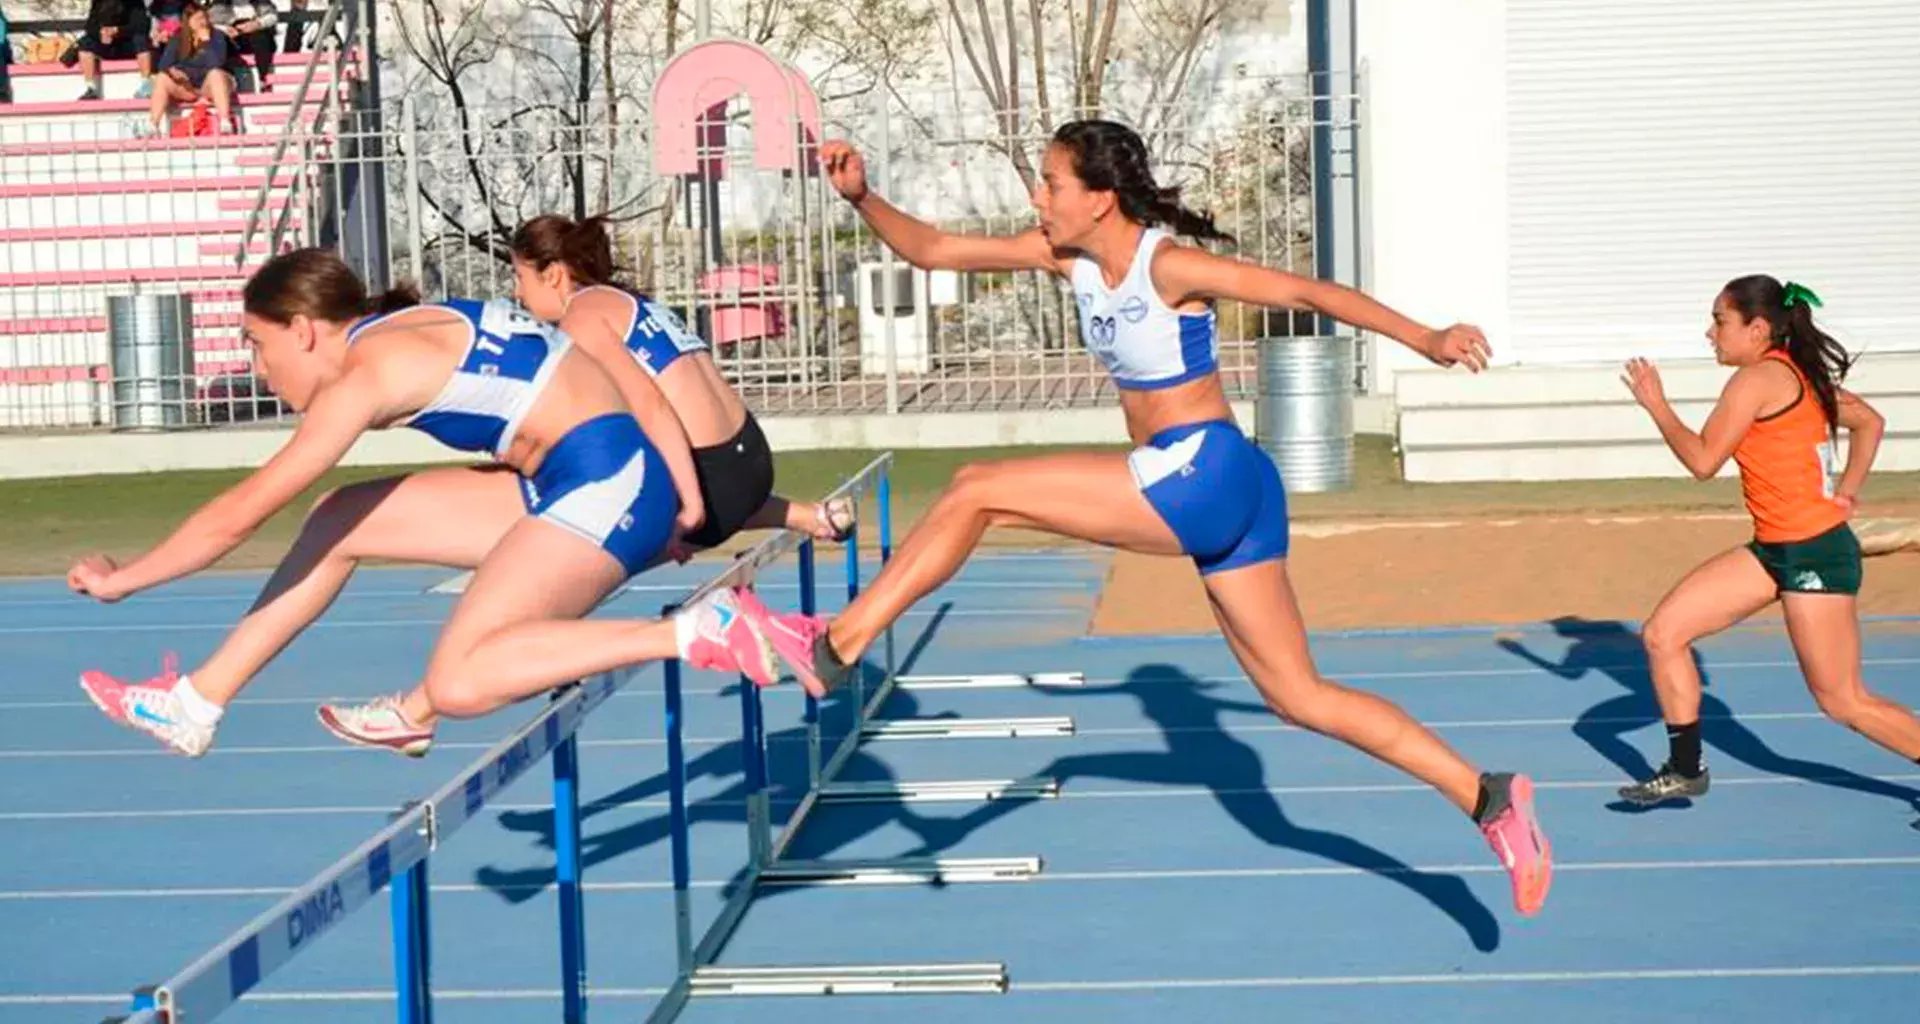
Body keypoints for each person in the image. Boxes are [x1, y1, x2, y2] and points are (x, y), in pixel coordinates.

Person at [730, 119, 1553, 917]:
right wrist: (862, 197)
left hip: (1205, 472)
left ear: (1099, 198)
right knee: (1301, 698)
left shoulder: (1169, 267)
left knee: (977, 487)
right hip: (1231, 491)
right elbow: (935, 250)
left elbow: (1306, 290)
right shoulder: (1065, 259)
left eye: (1051, 183)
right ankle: (1487, 797)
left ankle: (836, 646)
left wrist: (1427, 336)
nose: (1039, 197)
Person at [72, 248, 779, 759]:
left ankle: (693, 632)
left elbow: (242, 512)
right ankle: (195, 703)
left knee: (461, 679)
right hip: (579, 476)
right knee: (338, 518)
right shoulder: (407, 326)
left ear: (303, 329)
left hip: (607, 477)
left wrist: (122, 580)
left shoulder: (366, 374)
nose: (259, 368)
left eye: (257, 345)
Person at [1616, 276, 1920, 807]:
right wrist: (1846, 492)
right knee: (1664, 634)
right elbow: (1869, 421)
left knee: (1843, 701)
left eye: (1719, 321)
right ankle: (1686, 769)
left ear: (1757, 329)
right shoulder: (1795, 375)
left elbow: (1703, 462)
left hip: (1815, 556)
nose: (1710, 333)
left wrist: (1657, 405)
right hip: (1775, 549)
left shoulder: (1756, 380)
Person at [506, 214, 854, 559]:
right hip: (752, 455)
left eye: (520, 277)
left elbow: (651, 407)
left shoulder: (579, 320)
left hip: (715, 482)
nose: (516, 293)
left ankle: (714, 612)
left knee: (591, 552)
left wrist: (690, 507)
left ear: (551, 274)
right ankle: (809, 516)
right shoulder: (626, 300)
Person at [148, 3, 234, 134]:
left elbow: (217, 63)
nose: (203, 23)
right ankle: (153, 124)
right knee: (162, 78)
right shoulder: (178, 38)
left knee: (216, 74)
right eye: (198, 19)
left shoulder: (217, 36)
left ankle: (225, 120)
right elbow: (164, 64)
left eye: (204, 18)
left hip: (212, 84)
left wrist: (205, 43)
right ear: (188, 22)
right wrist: (172, 71)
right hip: (188, 86)